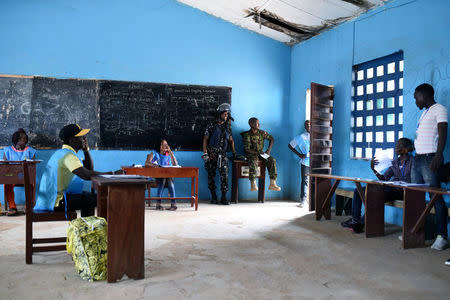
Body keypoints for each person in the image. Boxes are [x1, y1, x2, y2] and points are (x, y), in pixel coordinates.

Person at [35, 124, 123, 217]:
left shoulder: (64, 153)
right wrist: (113, 174)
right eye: (80, 137)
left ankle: (86, 228)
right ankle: (91, 228)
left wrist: (86, 150)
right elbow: (85, 175)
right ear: (72, 140)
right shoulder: (68, 156)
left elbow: (89, 169)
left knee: (89, 197)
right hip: (56, 201)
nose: (84, 139)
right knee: (102, 197)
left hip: (52, 199)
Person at [341, 138, 414, 233]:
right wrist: (374, 169)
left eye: (399, 145)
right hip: (390, 188)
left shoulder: (413, 161)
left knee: (375, 196)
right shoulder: (395, 162)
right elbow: (384, 178)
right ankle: (356, 220)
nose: (396, 147)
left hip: (402, 191)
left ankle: (360, 224)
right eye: (396, 145)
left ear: (406, 149)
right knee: (359, 191)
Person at [412, 83, 448, 250]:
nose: (415, 101)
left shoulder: (439, 109)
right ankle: (415, 232)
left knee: (435, 196)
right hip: (417, 160)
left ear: (423, 96)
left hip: (429, 159)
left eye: (416, 97)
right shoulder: (425, 113)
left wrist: (439, 154)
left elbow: (442, 131)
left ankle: (442, 236)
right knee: (415, 196)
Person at [202, 104, 236, 205]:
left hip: (223, 154)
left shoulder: (228, 127)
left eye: (227, 114)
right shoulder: (211, 125)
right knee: (211, 175)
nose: (226, 116)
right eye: (225, 114)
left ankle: (224, 198)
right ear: (220, 114)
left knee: (224, 176)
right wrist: (205, 153)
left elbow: (231, 140)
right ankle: (213, 197)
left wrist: (234, 153)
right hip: (212, 154)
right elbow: (205, 139)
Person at [2, 128, 37, 216]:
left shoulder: (30, 150)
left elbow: (32, 165)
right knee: (7, 183)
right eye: (22, 138)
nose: (24, 140)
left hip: (25, 174)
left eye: (25, 138)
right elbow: (5, 165)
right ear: (16, 140)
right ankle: (12, 207)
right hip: (11, 175)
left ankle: (28, 206)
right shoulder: (8, 150)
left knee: (31, 183)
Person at [241, 117, 281, 192]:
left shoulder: (262, 133)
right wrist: (258, 153)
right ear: (251, 124)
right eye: (257, 123)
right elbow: (247, 149)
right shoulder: (247, 135)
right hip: (251, 154)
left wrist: (268, 150)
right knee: (253, 161)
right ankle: (253, 183)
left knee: (272, 160)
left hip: (261, 153)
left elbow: (271, 139)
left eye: (259, 123)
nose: (259, 124)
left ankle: (272, 183)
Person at [145, 139, 178, 211]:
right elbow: (147, 163)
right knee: (163, 179)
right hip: (156, 175)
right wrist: (153, 164)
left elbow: (175, 164)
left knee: (168, 179)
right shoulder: (154, 153)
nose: (165, 146)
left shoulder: (167, 154)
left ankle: (173, 204)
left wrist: (171, 152)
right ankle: (159, 204)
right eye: (163, 145)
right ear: (159, 146)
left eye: (166, 145)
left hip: (168, 176)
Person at [288, 120, 310, 207]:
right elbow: (290, 145)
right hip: (306, 161)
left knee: (315, 180)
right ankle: (303, 200)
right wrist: (299, 154)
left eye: (310, 124)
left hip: (316, 161)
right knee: (305, 180)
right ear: (305, 126)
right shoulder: (300, 137)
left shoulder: (317, 135)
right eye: (307, 125)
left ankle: (314, 201)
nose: (309, 126)